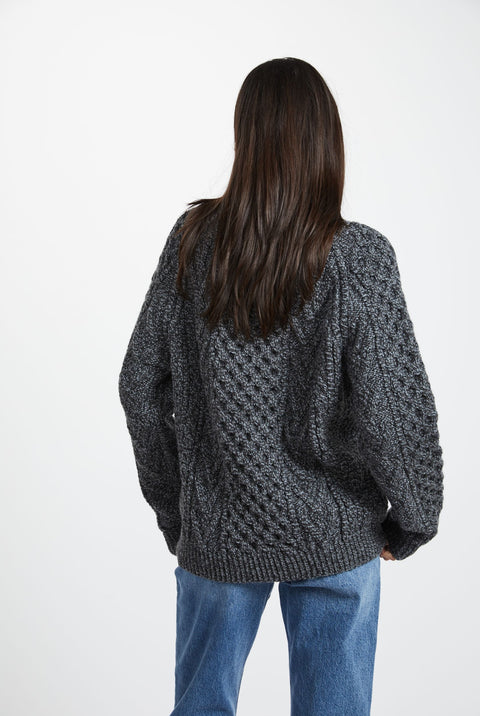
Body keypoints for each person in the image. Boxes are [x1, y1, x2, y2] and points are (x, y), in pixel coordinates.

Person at [118, 57, 444, 716]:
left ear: (246, 136)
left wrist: (180, 513)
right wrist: (414, 519)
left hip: (218, 532)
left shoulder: (192, 244)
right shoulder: (357, 257)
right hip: (335, 532)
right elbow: (394, 406)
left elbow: (139, 386)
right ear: (327, 142)